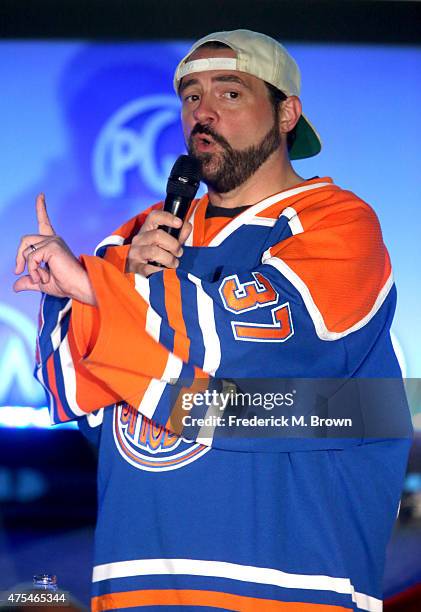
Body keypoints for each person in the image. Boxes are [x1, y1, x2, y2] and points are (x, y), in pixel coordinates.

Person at [15, 30, 412, 611]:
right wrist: (95, 293)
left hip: (290, 594)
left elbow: (244, 354)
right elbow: (66, 384)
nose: (203, 112)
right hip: (134, 589)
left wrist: (114, 299)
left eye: (230, 94)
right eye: (191, 96)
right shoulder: (139, 237)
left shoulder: (338, 225)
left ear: (286, 113)